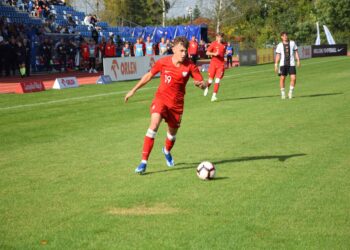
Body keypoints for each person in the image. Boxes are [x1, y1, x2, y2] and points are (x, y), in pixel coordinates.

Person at [124, 36, 207, 174]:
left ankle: (166, 150)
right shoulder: (163, 62)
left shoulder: (191, 66)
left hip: (177, 106)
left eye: (185, 51)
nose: (184, 53)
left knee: (172, 135)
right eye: (181, 50)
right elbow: (148, 76)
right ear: (173, 49)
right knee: (153, 126)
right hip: (161, 100)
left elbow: (202, 83)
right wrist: (133, 90)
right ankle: (143, 162)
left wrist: (202, 85)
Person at [274, 31, 300, 99]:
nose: (285, 37)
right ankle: (283, 93)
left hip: (291, 64)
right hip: (283, 64)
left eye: (286, 35)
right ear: (281, 37)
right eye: (284, 36)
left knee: (294, 78)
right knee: (282, 78)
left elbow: (296, 52)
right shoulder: (279, 45)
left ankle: (290, 92)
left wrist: (298, 60)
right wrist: (276, 64)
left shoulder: (292, 43)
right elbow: (278, 55)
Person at [203, 33, 226, 102]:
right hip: (213, 64)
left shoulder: (225, 44)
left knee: (217, 80)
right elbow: (207, 53)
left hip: (221, 65)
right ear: (216, 37)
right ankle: (207, 87)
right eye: (218, 37)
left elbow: (223, 53)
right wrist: (214, 54)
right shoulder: (213, 44)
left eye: (221, 37)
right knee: (210, 80)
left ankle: (214, 96)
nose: (220, 38)